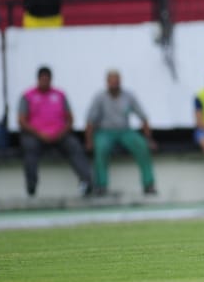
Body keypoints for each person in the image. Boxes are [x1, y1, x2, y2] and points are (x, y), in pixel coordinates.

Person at [18, 66, 93, 197]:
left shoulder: (59, 95)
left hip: (59, 134)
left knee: (74, 145)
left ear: (51, 79)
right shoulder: (28, 96)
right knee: (29, 148)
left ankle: (87, 182)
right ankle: (31, 187)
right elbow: (22, 120)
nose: (45, 81)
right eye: (42, 79)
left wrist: (61, 132)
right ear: (38, 79)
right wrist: (39, 134)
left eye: (47, 79)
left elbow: (70, 118)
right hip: (36, 135)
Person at [85, 69, 156, 196]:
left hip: (125, 131)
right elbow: (90, 121)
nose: (114, 84)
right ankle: (101, 186)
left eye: (117, 81)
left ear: (120, 81)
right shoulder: (99, 97)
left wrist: (149, 139)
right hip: (105, 132)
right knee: (101, 148)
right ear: (107, 82)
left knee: (142, 146)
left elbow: (143, 117)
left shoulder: (128, 96)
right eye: (112, 82)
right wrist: (89, 141)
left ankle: (148, 184)